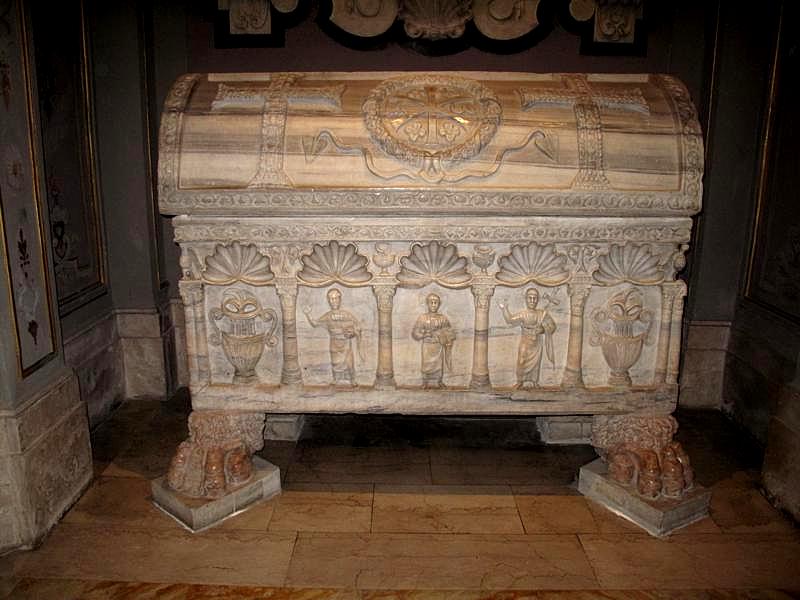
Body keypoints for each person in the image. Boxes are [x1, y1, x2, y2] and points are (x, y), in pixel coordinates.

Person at [303, 288, 362, 387]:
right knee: (335, 363)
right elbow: (315, 323)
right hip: (334, 343)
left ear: (340, 299)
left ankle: (352, 380)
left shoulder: (346, 314)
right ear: (328, 301)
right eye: (331, 299)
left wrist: (352, 332)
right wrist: (308, 314)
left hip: (346, 344)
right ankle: (335, 379)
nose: (334, 301)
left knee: (349, 363)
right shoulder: (328, 315)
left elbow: (358, 325)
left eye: (336, 298)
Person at [498, 287, 556, 389]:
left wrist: (542, 330)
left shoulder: (542, 314)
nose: (532, 300)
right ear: (526, 299)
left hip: (537, 343)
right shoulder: (523, 314)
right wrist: (504, 308)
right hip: (525, 341)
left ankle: (535, 382)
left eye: (535, 298)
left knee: (536, 363)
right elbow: (510, 320)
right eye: (530, 298)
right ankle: (520, 381)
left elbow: (553, 326)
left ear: (538, 300)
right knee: (521, 360)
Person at [411, 293, 456, 389]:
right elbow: (415, 332)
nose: (433, 305)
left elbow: (450, 331)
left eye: (436, 303)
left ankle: (439, 381)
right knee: (426, 364)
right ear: (427, 304)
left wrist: (443, 334)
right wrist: (424, 334)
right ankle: (425, 382)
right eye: (431, 302)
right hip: (427, 346)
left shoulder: (442, 318)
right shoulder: (422, 318)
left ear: (439, 304)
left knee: (438, 365)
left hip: (438, 346)